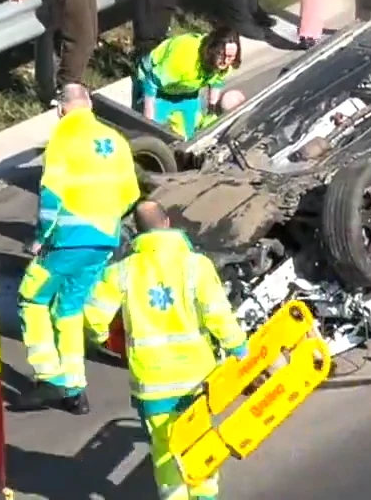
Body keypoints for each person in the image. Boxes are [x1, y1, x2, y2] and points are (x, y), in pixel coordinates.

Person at [83, 200, 248, 500]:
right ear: (168, 223)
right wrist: (240, 348)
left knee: (163, 449)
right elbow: (218, 314)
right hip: (196, 379)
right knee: (197, 439)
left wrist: (102, 337)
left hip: (152, 383)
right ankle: (205, 495)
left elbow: (93, 315)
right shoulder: (195, 265)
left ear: (138, 232)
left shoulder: (122, 272)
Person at [12, 83, 139, 414]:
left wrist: (42, 235)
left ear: (61, 109)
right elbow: (131, 194)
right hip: (104, 240)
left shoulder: (63, 138)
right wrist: (105, 220)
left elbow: (51, 196)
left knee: (31, 297)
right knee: (68, 310)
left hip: (69, 240)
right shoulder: (117, 141)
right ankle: (74, 388)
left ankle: (49, 378)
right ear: (90, 104)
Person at [137, 27, 245, 139]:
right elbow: (151, 82)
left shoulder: (224, 64)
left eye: (231, 57)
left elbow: (216, 81)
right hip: (158, 90)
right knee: (153, 136)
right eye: (222, 55)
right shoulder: (184, 58)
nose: (226, 61)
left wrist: (211, 111)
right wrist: (148, 120)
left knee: (190, 138)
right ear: (211, 50)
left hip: (187, 92)